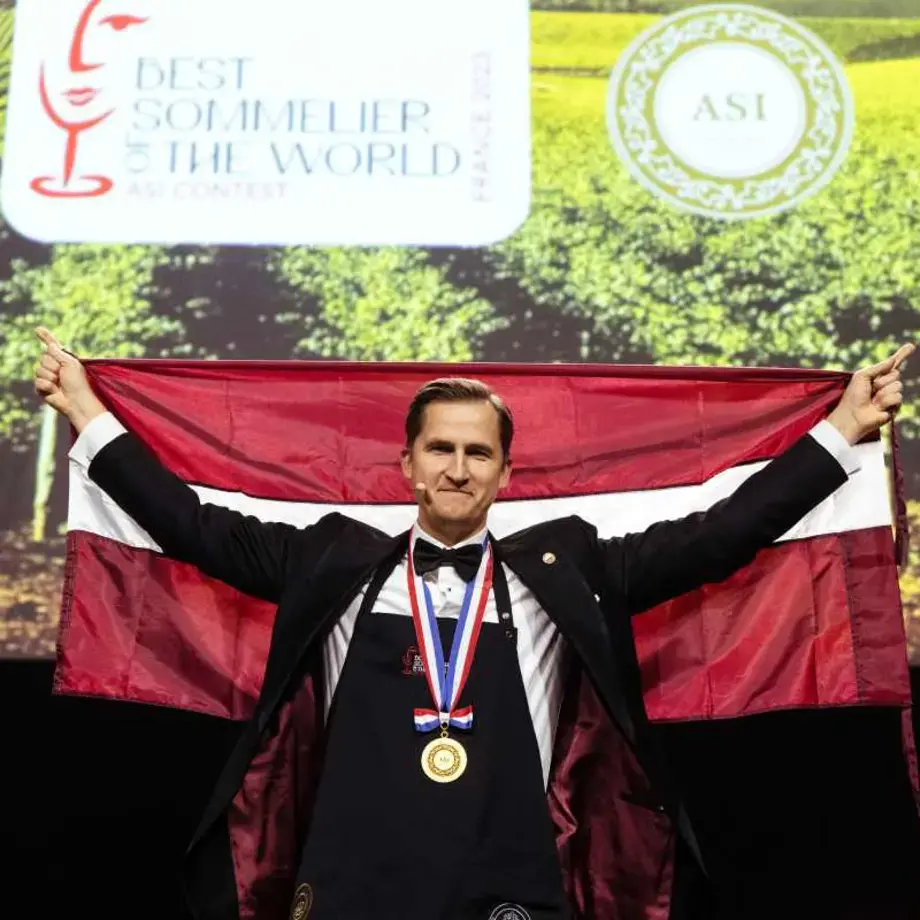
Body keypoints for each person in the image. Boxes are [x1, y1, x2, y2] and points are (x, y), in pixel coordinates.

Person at [34, 327, 912, 920]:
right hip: (347, 880)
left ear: (504, 470)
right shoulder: (332, 560)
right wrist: (85, 412)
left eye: (477, 452)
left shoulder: (568, 569)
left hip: (512, 883)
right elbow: (187, 523)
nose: (458, 469)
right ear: (408, 463)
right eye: (441, 450)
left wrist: (840, 429)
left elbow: (724, 533)